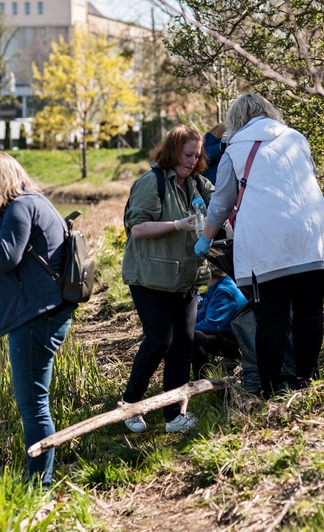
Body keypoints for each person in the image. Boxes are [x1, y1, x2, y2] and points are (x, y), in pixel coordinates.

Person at [194, 93, 324, 398]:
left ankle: (267, 387)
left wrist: (205, 238)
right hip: (313, 235)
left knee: (271, 316)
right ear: (269, 111)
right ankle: (306, 380)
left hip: (267, 246)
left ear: (236, 119)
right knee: (310, 310)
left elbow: (221, 202)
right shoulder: (296, 139)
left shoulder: (234, 151)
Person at [0, 150, 75, 487]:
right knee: (35, 405)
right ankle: (39, 480)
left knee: (33, 407)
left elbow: (4, 258)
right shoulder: (33, 201)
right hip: (42, 312)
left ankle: (39, 486)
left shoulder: (20, 207)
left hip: (37, 318)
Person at [121, 125, 215, 433]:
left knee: (183, 347)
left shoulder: (200, 185)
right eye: (188, 154)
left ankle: (174, 416)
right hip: (149, 279)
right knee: (160, 341)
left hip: (184, 279)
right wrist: (177, 224)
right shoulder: (152, 183)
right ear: (173, 151)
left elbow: (225, 207)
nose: (192, 161)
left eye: (197, 155)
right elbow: (138, 229)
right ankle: (130, 406)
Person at [192, 263, 248, 379]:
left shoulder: (225, 290)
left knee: (194, 338)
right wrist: (180, 325)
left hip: (239, 342)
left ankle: (203, 378)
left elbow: (212, 325)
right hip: (226, 335)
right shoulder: (216, 287)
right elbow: (202, 314)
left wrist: (182, 330)